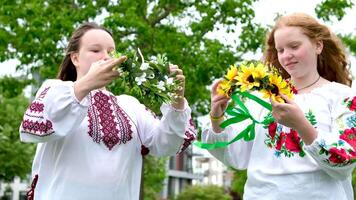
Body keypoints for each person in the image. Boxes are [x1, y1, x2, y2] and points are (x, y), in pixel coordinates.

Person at [19, 22, 196, 200]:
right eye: (95, 50)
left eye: (111, 52)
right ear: (75, 58)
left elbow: (167, 144)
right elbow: (34, 130)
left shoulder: (131, 106)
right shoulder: (56, 90)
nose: (106, 57)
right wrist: (86, 84)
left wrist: (176, 101)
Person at [203, 13, 356, 199]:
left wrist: (301, 124)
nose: (286, 56)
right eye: (280, 50)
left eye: (294, 46)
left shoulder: (343, 96)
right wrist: (217, 117)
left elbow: (345, 162)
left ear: (318, 45)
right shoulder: (261, 97)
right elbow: (236, 156)